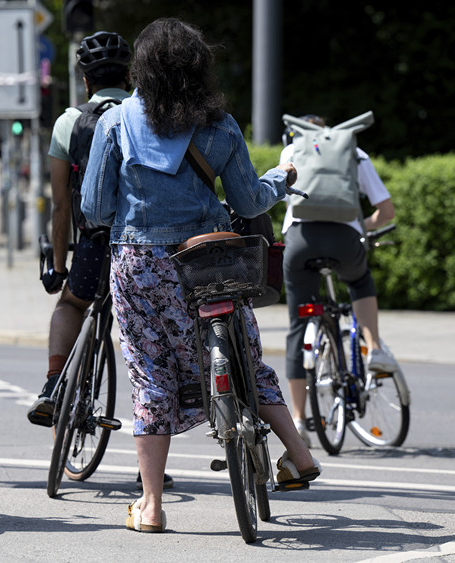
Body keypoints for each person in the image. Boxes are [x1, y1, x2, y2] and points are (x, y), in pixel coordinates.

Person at [80, 17, 320, 533]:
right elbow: (250, 199)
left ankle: (150, 506)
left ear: (140, 67)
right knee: (246, 359)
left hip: (141, 267)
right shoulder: (220, 125)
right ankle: (298, 454)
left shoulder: (114, 123)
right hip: (210, 259)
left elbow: (95, 209)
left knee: (150, 377)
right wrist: (284, 176)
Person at [27, 32, 171, 489]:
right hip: (141, 245)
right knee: (147, 349)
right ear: (130, 75)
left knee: (70, 305)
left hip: (93, 244)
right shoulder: (146, 116)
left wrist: (56, 261)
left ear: (84, 79)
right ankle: (150, 464)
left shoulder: (71, 121)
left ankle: (54, 383)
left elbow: (61, 203)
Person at [280, 114, 396, 446]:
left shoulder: (291, 151)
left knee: (298, 327)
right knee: (359, 281)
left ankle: (300, 421)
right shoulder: (355, 153)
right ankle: (374, 349)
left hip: (301, 242)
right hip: (345, 241)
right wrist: (360, 225)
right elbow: (386, 212)